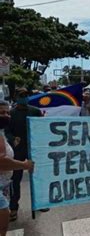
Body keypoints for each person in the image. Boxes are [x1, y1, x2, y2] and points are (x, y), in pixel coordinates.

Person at [5, 88, 44, 222]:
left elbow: (42, 127)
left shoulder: (35, 111)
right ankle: (13, 207)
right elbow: (6, 130)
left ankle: (40, 203)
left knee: (38, 177)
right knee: (15, 180)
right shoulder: (11, 113)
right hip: (17, 151)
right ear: (16, 97)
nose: (24, 98)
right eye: (21, 96)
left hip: (34, 149)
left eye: (26, 95)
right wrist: (12, 138)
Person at [0, 100, 34, 235]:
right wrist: (23, 165)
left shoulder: (1, 131)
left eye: (7, 112)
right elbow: (1, 161)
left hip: (3, 184)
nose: (6, 115)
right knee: (2, 225)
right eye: (1, 113)